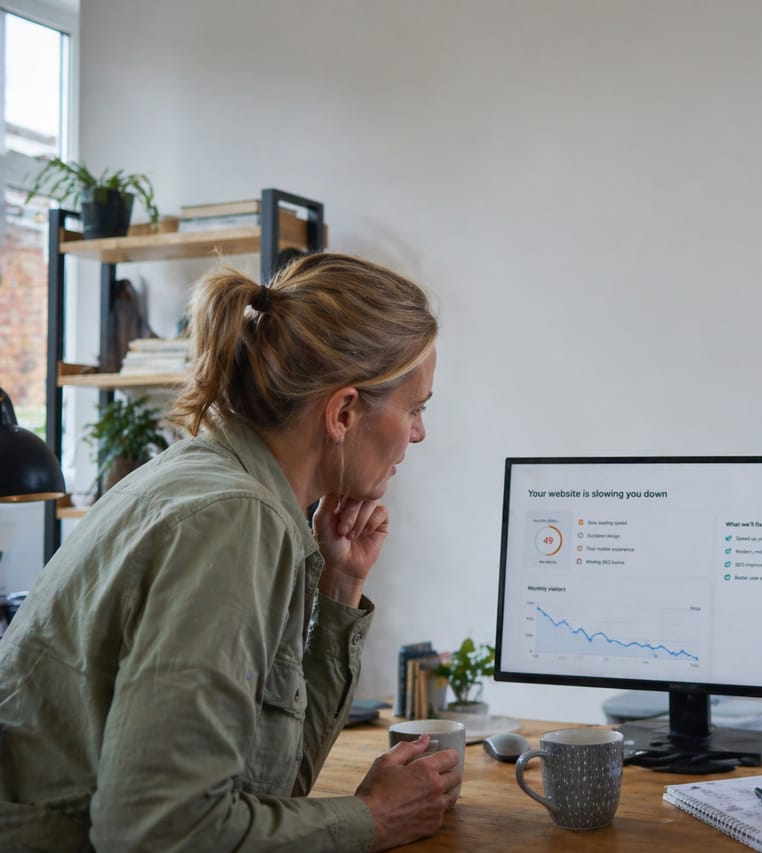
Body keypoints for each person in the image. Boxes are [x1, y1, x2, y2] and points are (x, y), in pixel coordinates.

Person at [0, 252, 460, 851]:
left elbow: (266, 790)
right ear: (344, 412)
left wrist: (341, 586)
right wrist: (372, 820)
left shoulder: (217, 482)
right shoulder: (233, 520)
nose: (419, 432)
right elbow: (160, 831)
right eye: (416, 408)